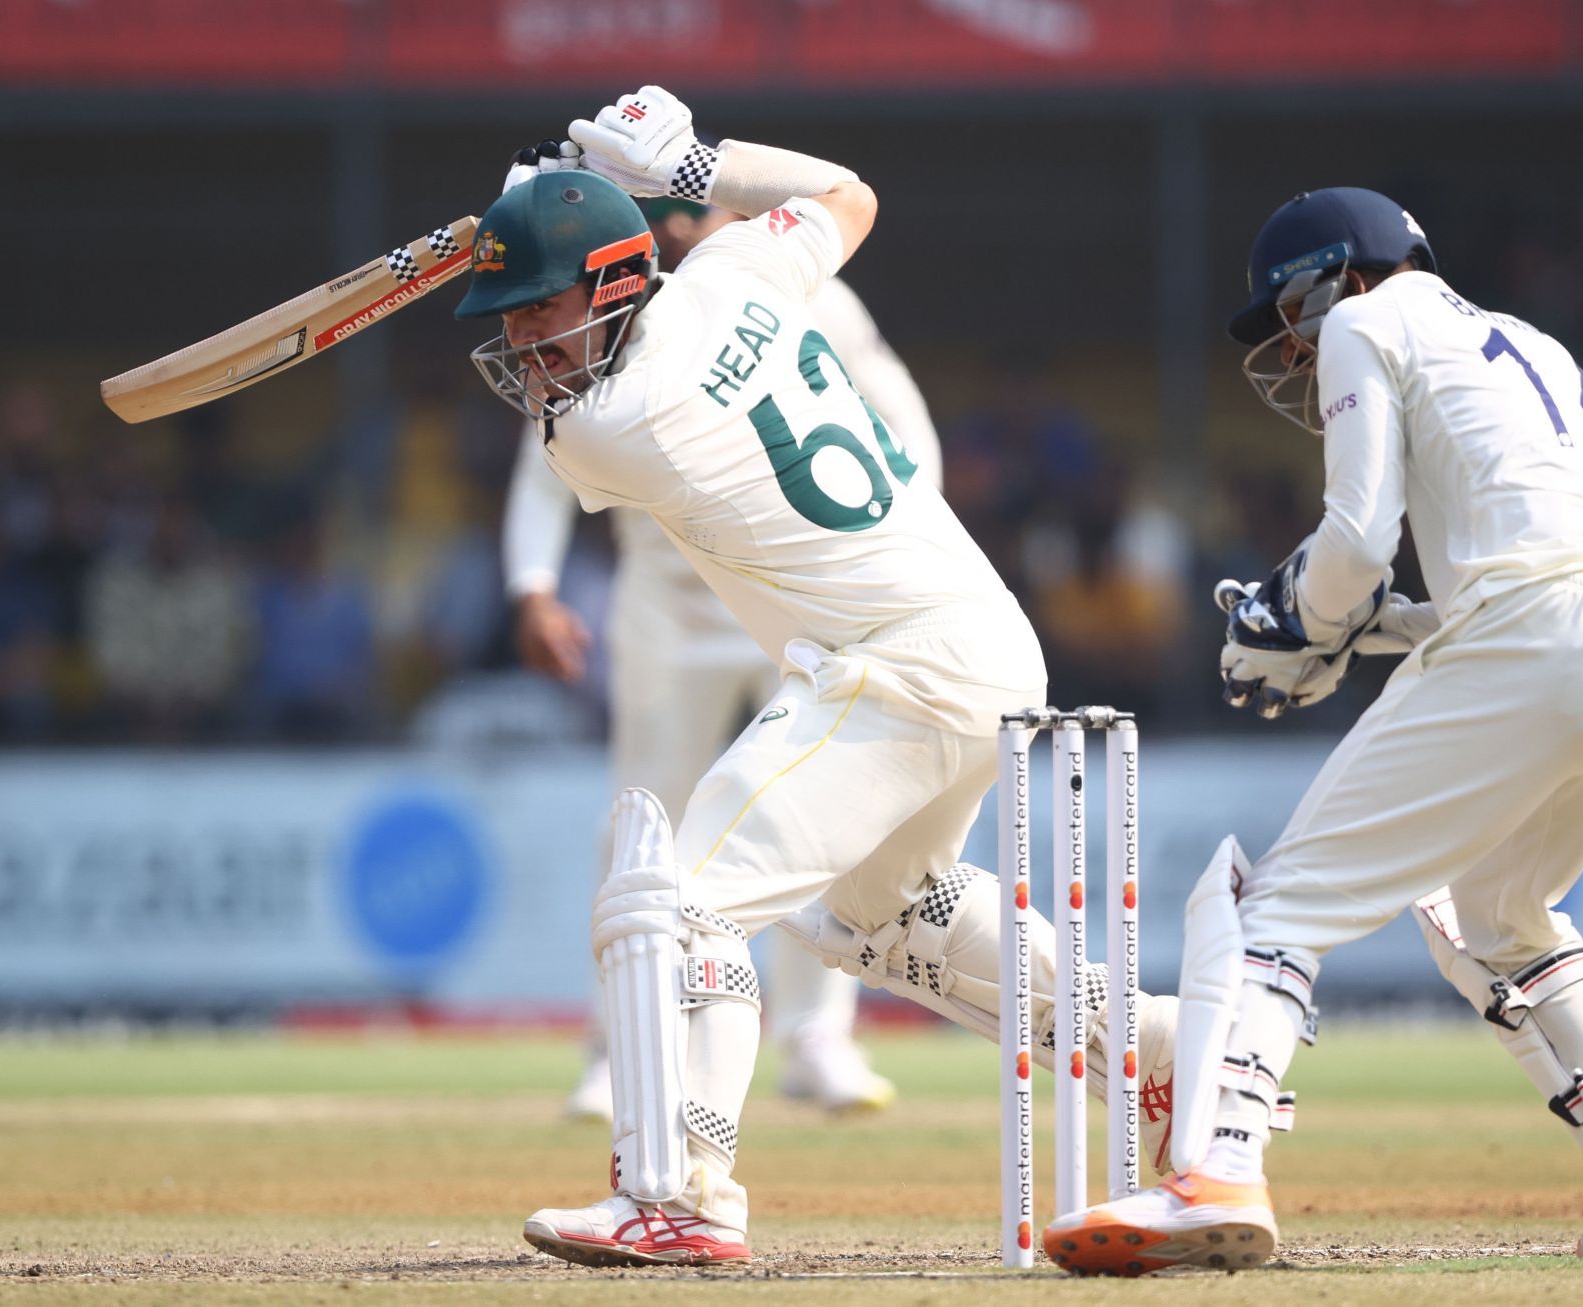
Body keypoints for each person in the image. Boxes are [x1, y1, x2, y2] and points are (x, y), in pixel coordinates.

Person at [455, 86, 1177, 1267]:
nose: (527, 351)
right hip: (980, 640)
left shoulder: (605, 426)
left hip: (889, 666)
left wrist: (533, 204)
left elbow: (566, 405)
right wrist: (694, 165)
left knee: (681, 901)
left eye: (538, 313)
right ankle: (1155, 1052)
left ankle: (680, 1194)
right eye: (514, 323)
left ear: (615, 287)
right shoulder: (742, 275)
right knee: (883, 915)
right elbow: (846, 193)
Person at [1043, 188, 1583, 1275]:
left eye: (1291, 313)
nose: (1293, 346)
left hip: (1541, 632)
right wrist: (1349, 624)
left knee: (1280, 901)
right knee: (1500, 915)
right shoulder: (1524, 339)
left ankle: (1217, 1168)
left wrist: (1291, 618)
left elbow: (1357, 543)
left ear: (1338, 278)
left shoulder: (1372, 322)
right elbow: (1509, 570)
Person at [506, 194, 943, 1117]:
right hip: (666, 604)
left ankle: (817, 1036)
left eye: (697, 213)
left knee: (820, 808)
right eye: (665, 217)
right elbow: (543, 460)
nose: (679, 232)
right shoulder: (611, 319)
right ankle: (620, 1048)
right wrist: (532, 585)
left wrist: (905, 549)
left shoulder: (793, 287)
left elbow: (904, 418)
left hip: (793, 601)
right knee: (642, 819)